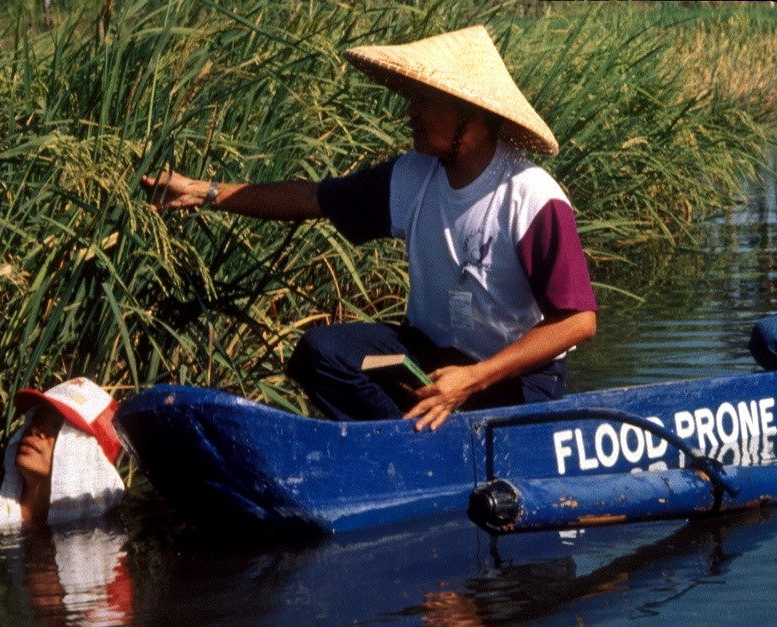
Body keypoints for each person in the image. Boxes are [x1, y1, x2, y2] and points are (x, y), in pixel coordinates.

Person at [142, 26, 597, 432]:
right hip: (430, 360)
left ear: (471, 117)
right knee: (320, 354)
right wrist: (204, 191)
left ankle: (427, 441)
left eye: (425, 101)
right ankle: (408, 444)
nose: (409, 113)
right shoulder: (412, 177)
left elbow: (578, 321)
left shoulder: (530, 195)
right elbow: (309, 198)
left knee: (476, 390)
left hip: (509, 381)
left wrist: (473, 379)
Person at [0, 377, 125, 529]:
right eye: (36, 420)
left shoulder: (107, 530)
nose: (35, 430)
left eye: (57, 428)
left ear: (85, 456)